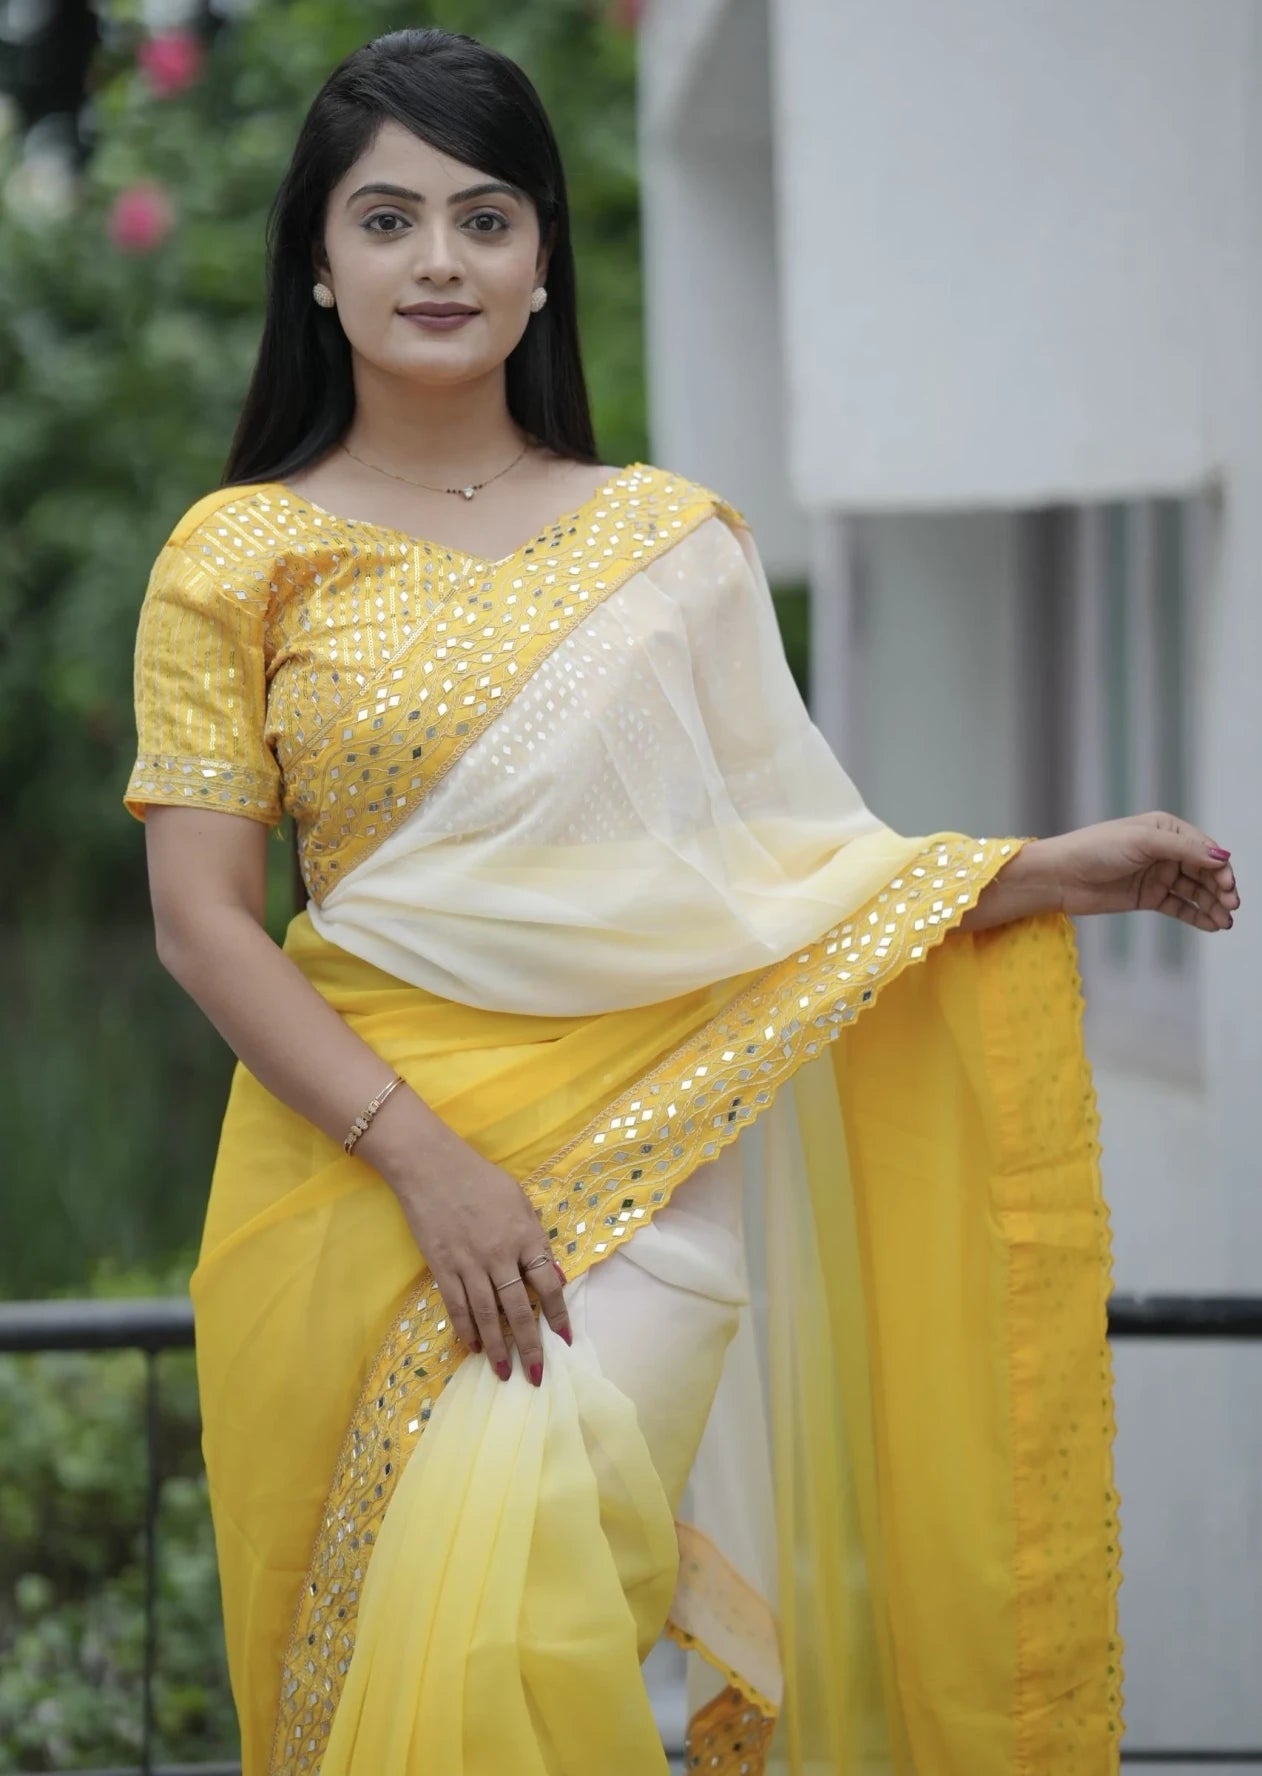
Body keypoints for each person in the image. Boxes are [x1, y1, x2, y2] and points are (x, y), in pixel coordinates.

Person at [122, 27, 1239, 1776]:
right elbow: (201, 925)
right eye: (388, 220)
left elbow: (781, 875)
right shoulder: (238, 555)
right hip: (348, 1181)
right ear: (318, 269)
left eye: (485, 217)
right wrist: (427, 1165)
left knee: (508, 1620)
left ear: (542, 261)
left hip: (643, 1173)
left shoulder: (668, 547)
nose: (438, 260)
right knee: (382, 1663)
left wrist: (1029, 873)